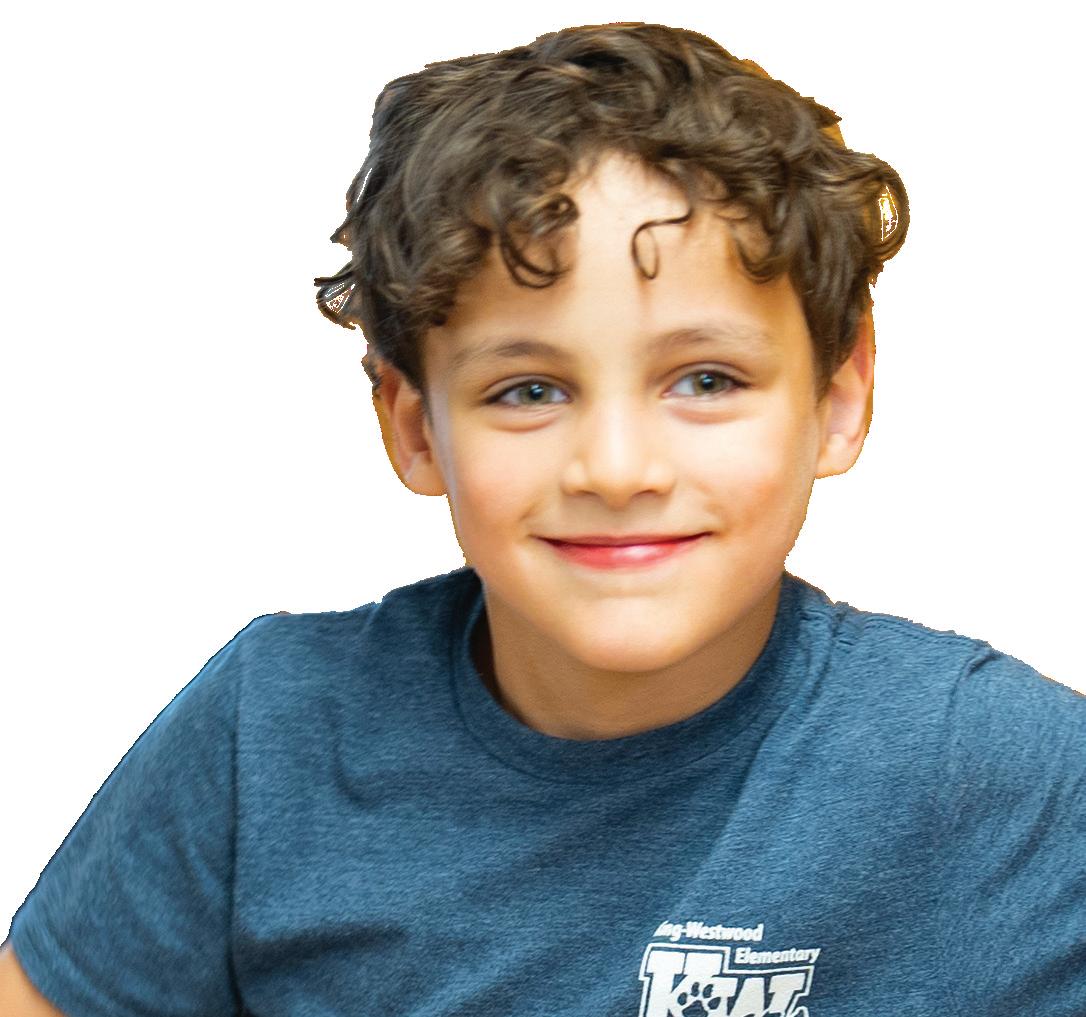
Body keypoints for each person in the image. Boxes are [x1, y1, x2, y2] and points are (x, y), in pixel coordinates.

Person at [2, 21, 1082, 1017]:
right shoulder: (269, 730)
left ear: (837, 398)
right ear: (415, 428)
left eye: (706, 379)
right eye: (528, 390)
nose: (616, 468)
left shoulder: (1016, 777)